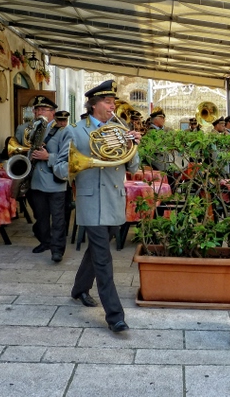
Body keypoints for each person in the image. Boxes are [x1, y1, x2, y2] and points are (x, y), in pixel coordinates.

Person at [54, 80, 141, 333]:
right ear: (94, 105)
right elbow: (59, 168)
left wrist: (133, 145)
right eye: (107, 102)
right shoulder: (75, 131)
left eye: (113, 102)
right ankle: (115, 316)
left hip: (114, 199)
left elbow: (133, 167)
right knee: (103, 258)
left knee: (97, 249)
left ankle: (79, 289)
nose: (113, 106)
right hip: (91, 201)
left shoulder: (120, 129)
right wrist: (79, 165)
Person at [28, 96, 68, 263]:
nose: (39, 113)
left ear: (53, 112)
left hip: (54, 181)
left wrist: (48, 157)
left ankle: (57, 250)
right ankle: (45, 242)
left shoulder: (62, 131)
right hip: (36, 181)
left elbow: (68, 157)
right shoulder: (33, 130)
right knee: (41, 217)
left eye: (43, 110)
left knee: (58, 219)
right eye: (37, 109)